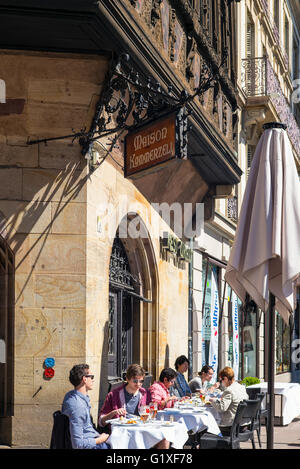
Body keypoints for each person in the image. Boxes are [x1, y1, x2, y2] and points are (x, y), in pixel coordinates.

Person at [100, 364, 169, 449]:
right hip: (123, 433)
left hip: (142, 430)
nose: (138, 384)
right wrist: (114, 412)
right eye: (135, 381)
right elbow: (101, 421)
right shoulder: (114, 395)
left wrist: (150, 413)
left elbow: (149, 413)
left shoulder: (145, 393)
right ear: (127, 379)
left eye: (141, 381)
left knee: (165, 438)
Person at [62, 363, 110, 449]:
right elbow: (78, 444)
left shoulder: (71, 395)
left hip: (92, 435)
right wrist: (100, 439)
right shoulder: (78, 407)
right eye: (91, 377)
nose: (93, 380)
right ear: (84, 379)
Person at [208, 366, 248, 435]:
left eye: (221, 380)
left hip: (231, 426)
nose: (222, 383)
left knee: (207, 426)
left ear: (225, 379)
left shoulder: (229, 390)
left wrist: (212, 400)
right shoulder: (241, 387)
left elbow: (221, 408)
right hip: (243, 424)